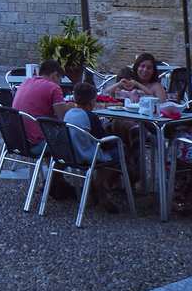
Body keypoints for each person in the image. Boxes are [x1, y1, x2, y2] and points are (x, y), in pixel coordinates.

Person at [64, 82, 123, 211]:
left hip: (71, 153)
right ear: (92, 102)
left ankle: (96, 187)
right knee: (118, 151)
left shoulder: (68, 114)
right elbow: (103, 141)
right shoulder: (90, 116)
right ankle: (100, 185)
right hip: (86, 156)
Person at [11, 60, 72, 149]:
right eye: (60, 79)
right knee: (74, 138)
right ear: (54, 75)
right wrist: (70, 107)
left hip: (17, 139)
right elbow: (63, 118)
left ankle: (52, 162)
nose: (60, 83)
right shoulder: (53, 87)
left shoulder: (26, 82)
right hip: (37, 142)